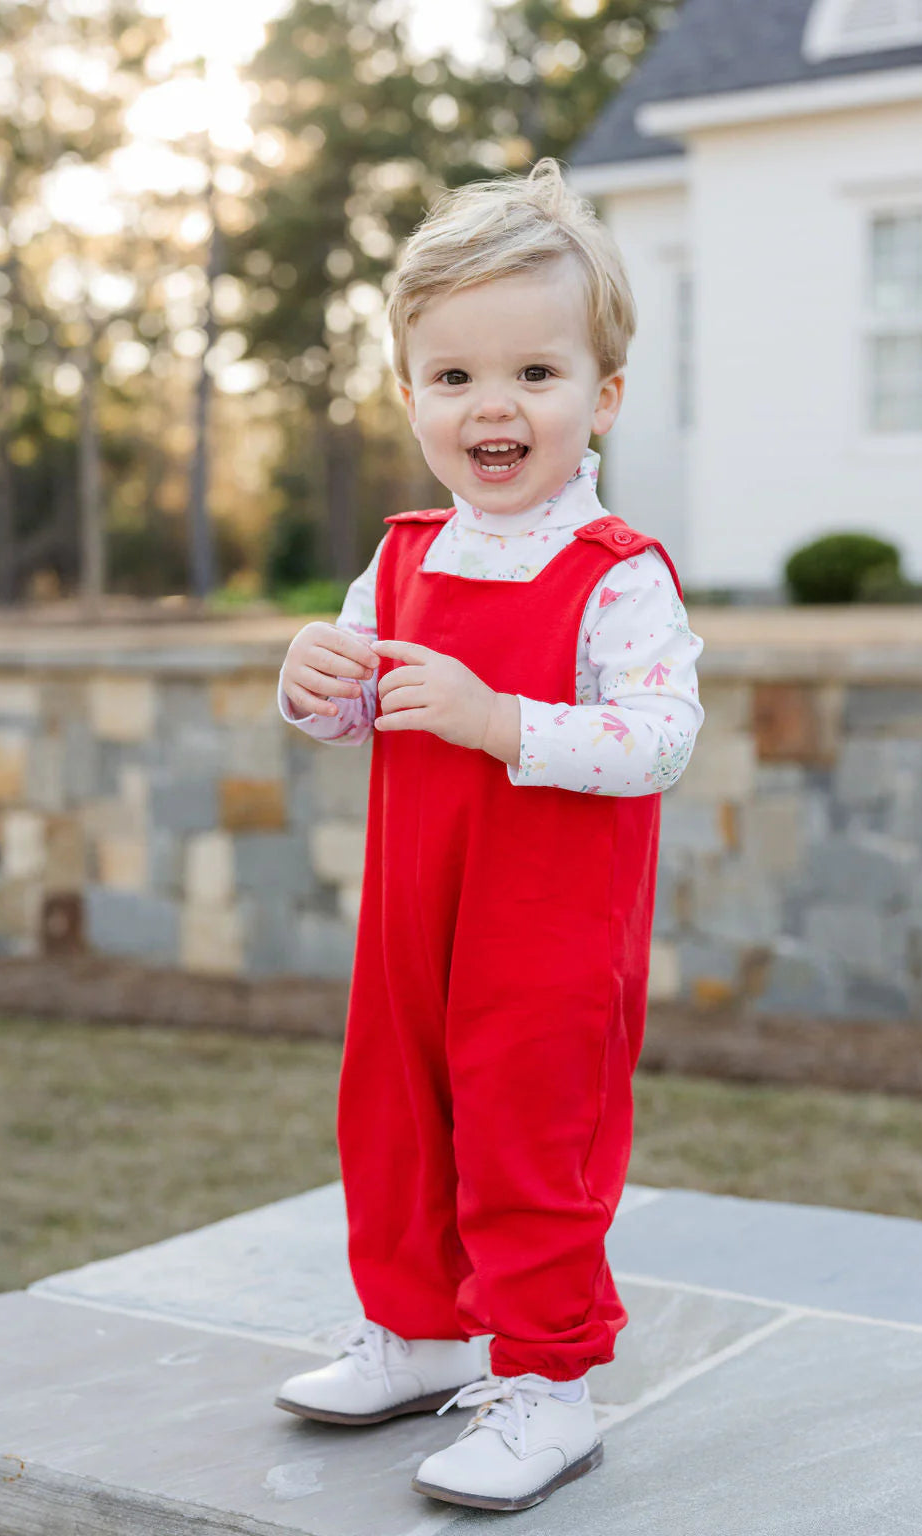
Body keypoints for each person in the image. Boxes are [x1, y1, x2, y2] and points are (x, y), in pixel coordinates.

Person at [273, 158, 704, 1513]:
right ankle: (412, 1333)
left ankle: (546, 1384)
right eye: (452, 378)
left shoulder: (615, 575)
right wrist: (316, 687)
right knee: (396, 1122)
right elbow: (364, 715)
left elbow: (660, 738)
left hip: (547, 942)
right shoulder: (399, 558)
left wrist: (504, 720)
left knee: (530, 1145)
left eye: (534, 371)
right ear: (411, 396)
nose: (492, 405)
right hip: (415, 921)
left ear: (603, 398)